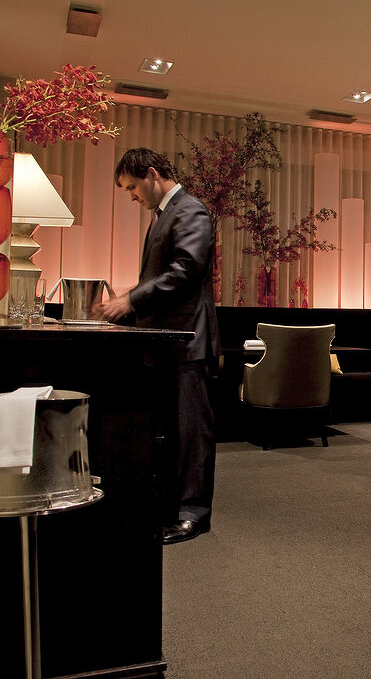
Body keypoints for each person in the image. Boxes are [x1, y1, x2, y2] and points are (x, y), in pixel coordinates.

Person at [98, 148, 221, 544]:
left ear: (152, 174)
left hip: (188, 341)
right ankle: (171, 507)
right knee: (172, 432)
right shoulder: (166, 215)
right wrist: (131, 296)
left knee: (191, 434)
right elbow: (164, 274)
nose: (132, 196)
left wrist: (131, 301)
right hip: (168, 343)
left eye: (133, 187)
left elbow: (185, 271)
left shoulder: (191, 210)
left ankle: (193, 514)